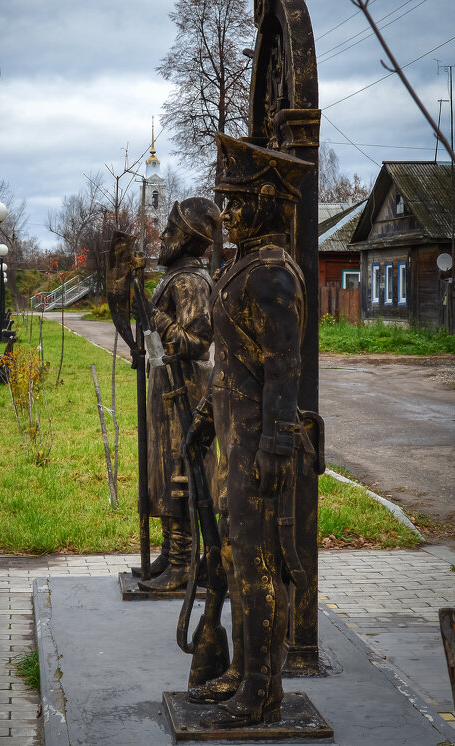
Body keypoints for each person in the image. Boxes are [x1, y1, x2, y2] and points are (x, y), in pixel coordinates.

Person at [185, 133, 315, 728]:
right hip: (237, 445)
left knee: (261, 564)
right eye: (225, 199)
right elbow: (232, 366)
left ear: (267, 198)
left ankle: (262, 692)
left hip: (261, 450)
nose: (228, 212)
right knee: (237, 561)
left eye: (238, 199)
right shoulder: (243, 267)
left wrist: (275, 445)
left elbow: (284, 367)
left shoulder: (272, 274)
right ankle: (244, 668)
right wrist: (206, 423)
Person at [136, 197, 220, 593]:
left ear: (187, 240)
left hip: (185, 394)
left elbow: (199, 343)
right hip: (169, 390)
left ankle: (184, 562)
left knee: (181, 475)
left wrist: (161, 320)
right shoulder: (176, 276)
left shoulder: (190, 282)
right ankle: (172, 552)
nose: (163, 237)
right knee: (165, 470)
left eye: (170, 230)